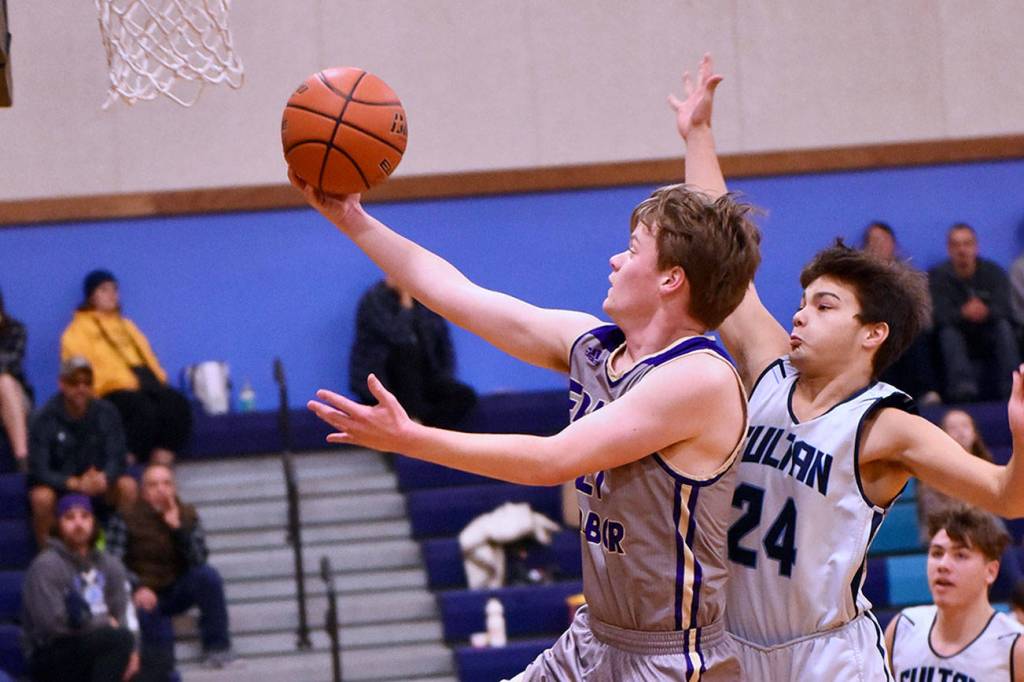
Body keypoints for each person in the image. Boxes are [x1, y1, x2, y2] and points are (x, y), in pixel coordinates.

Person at [298, 54, 761, 681]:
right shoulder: (594, 346)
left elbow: (549, 461)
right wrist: (351, 218)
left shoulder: (699, 379)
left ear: (671, 280)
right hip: (594, 639)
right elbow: (457, 294)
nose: (615, 260)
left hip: (671, 659)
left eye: (631, 251)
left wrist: (410, 439)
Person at [675, 53, 1024, 680]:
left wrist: (1021, 442)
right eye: (802, 301)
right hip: (736, 648)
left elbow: (1008, 496)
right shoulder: (768, 369)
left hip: (829, 657)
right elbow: (719, 253)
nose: (800, 315)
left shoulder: (884, 426)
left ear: (872, 333)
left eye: (824, 305)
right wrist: (699, 135)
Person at [107, 463, 235, 676]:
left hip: (176, 586)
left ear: (174, 488)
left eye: (166, 484)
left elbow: (199, 560)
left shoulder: (188, 514)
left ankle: (218, 649)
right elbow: (113, 563)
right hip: (144, 591)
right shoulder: (125, 517)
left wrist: (178, 529)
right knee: (148, 613)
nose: (161, 489)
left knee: (208, 576)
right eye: (153, 485)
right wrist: (136, 586)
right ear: (143, 490)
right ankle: (163, 669)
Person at [61, 269, 192, 465]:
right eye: (104, 290)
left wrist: (159, 380)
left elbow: (148, 357)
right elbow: (78, 372)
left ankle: (160, 465)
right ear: (91, 296)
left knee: (176, 404)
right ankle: (126, 464)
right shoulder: (76, 332)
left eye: (115, 289)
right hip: (109, 391)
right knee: (141, 409)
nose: (112, 294)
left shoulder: (128, 326)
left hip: (144, 385)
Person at [885, 506, 1024, 681]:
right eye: (937, 553)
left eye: (960, 555)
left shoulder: (1015, 646)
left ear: (991, 571)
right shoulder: (903, 627)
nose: (943, 565)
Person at [21, 493, 139, 682]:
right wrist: (104, 623)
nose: (78, 523)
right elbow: (52, 625)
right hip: (52, 652)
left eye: (85, 516)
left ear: (93, 522)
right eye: (70, 518)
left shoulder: (110, 564)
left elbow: (123, 612)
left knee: (145, 661)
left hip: (101, 647)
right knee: (117, 640)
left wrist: (133, 652)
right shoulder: (45, 566)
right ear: (58, 525)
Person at [28, 356, 137, 550]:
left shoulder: (107, 412)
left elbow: (117, 456)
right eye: (74, 382)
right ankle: (49, 556)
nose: (81, 388)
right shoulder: (44, 418)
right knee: (41, 497)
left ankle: (122, 554)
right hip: (61, 487)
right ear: (62, 384)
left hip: (99, 485)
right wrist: (72, 482)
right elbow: (38, 470)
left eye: (87, 383)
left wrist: (104, 477)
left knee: (127, 486)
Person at [349, 275, 476, 428]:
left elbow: (443, 342)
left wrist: (445, 375)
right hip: (385, 380)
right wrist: (405, 303)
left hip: (425, 379)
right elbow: (400, 336)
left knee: (463, 396)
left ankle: (425, 430)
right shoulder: (374, 300)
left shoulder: (426, 302)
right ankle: (414, 424)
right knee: (407, 354)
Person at [929, 224, 1019, 402]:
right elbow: (938, 315)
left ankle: (1012, 388)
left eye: (967, 244)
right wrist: (963, 313)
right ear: (949, 249)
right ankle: (963, 390)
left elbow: (1006, 308)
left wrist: (986, 311)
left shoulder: (993, 272)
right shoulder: (938, 276)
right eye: (956, 245)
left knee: (1004, 327)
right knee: (948, 332)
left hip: (989, 332)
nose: (962, 250)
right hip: (957, 335)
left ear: (976, 247)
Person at [861, 222, 941, 405]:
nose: (878, 246)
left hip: (906, 328)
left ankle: (926, 392)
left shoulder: (910, 277)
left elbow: (925, 313)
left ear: (893, 245)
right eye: (874, 241)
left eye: (883, 240)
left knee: (917, 337)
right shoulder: (859, 281)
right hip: (875, 330)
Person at [916, 409, 994, 542]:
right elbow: (935, 517)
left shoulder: (988, 468)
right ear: (943, 434)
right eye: (953, 427)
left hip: (982, 534)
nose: (960, 431)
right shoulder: (931, 471)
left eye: (965, 426)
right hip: (945, 535)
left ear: (974, 433)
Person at [0, 286, 32, 470]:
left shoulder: (15, 329)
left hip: (15, 396)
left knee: (4, 381)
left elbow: (11, 363)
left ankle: (22, 459)